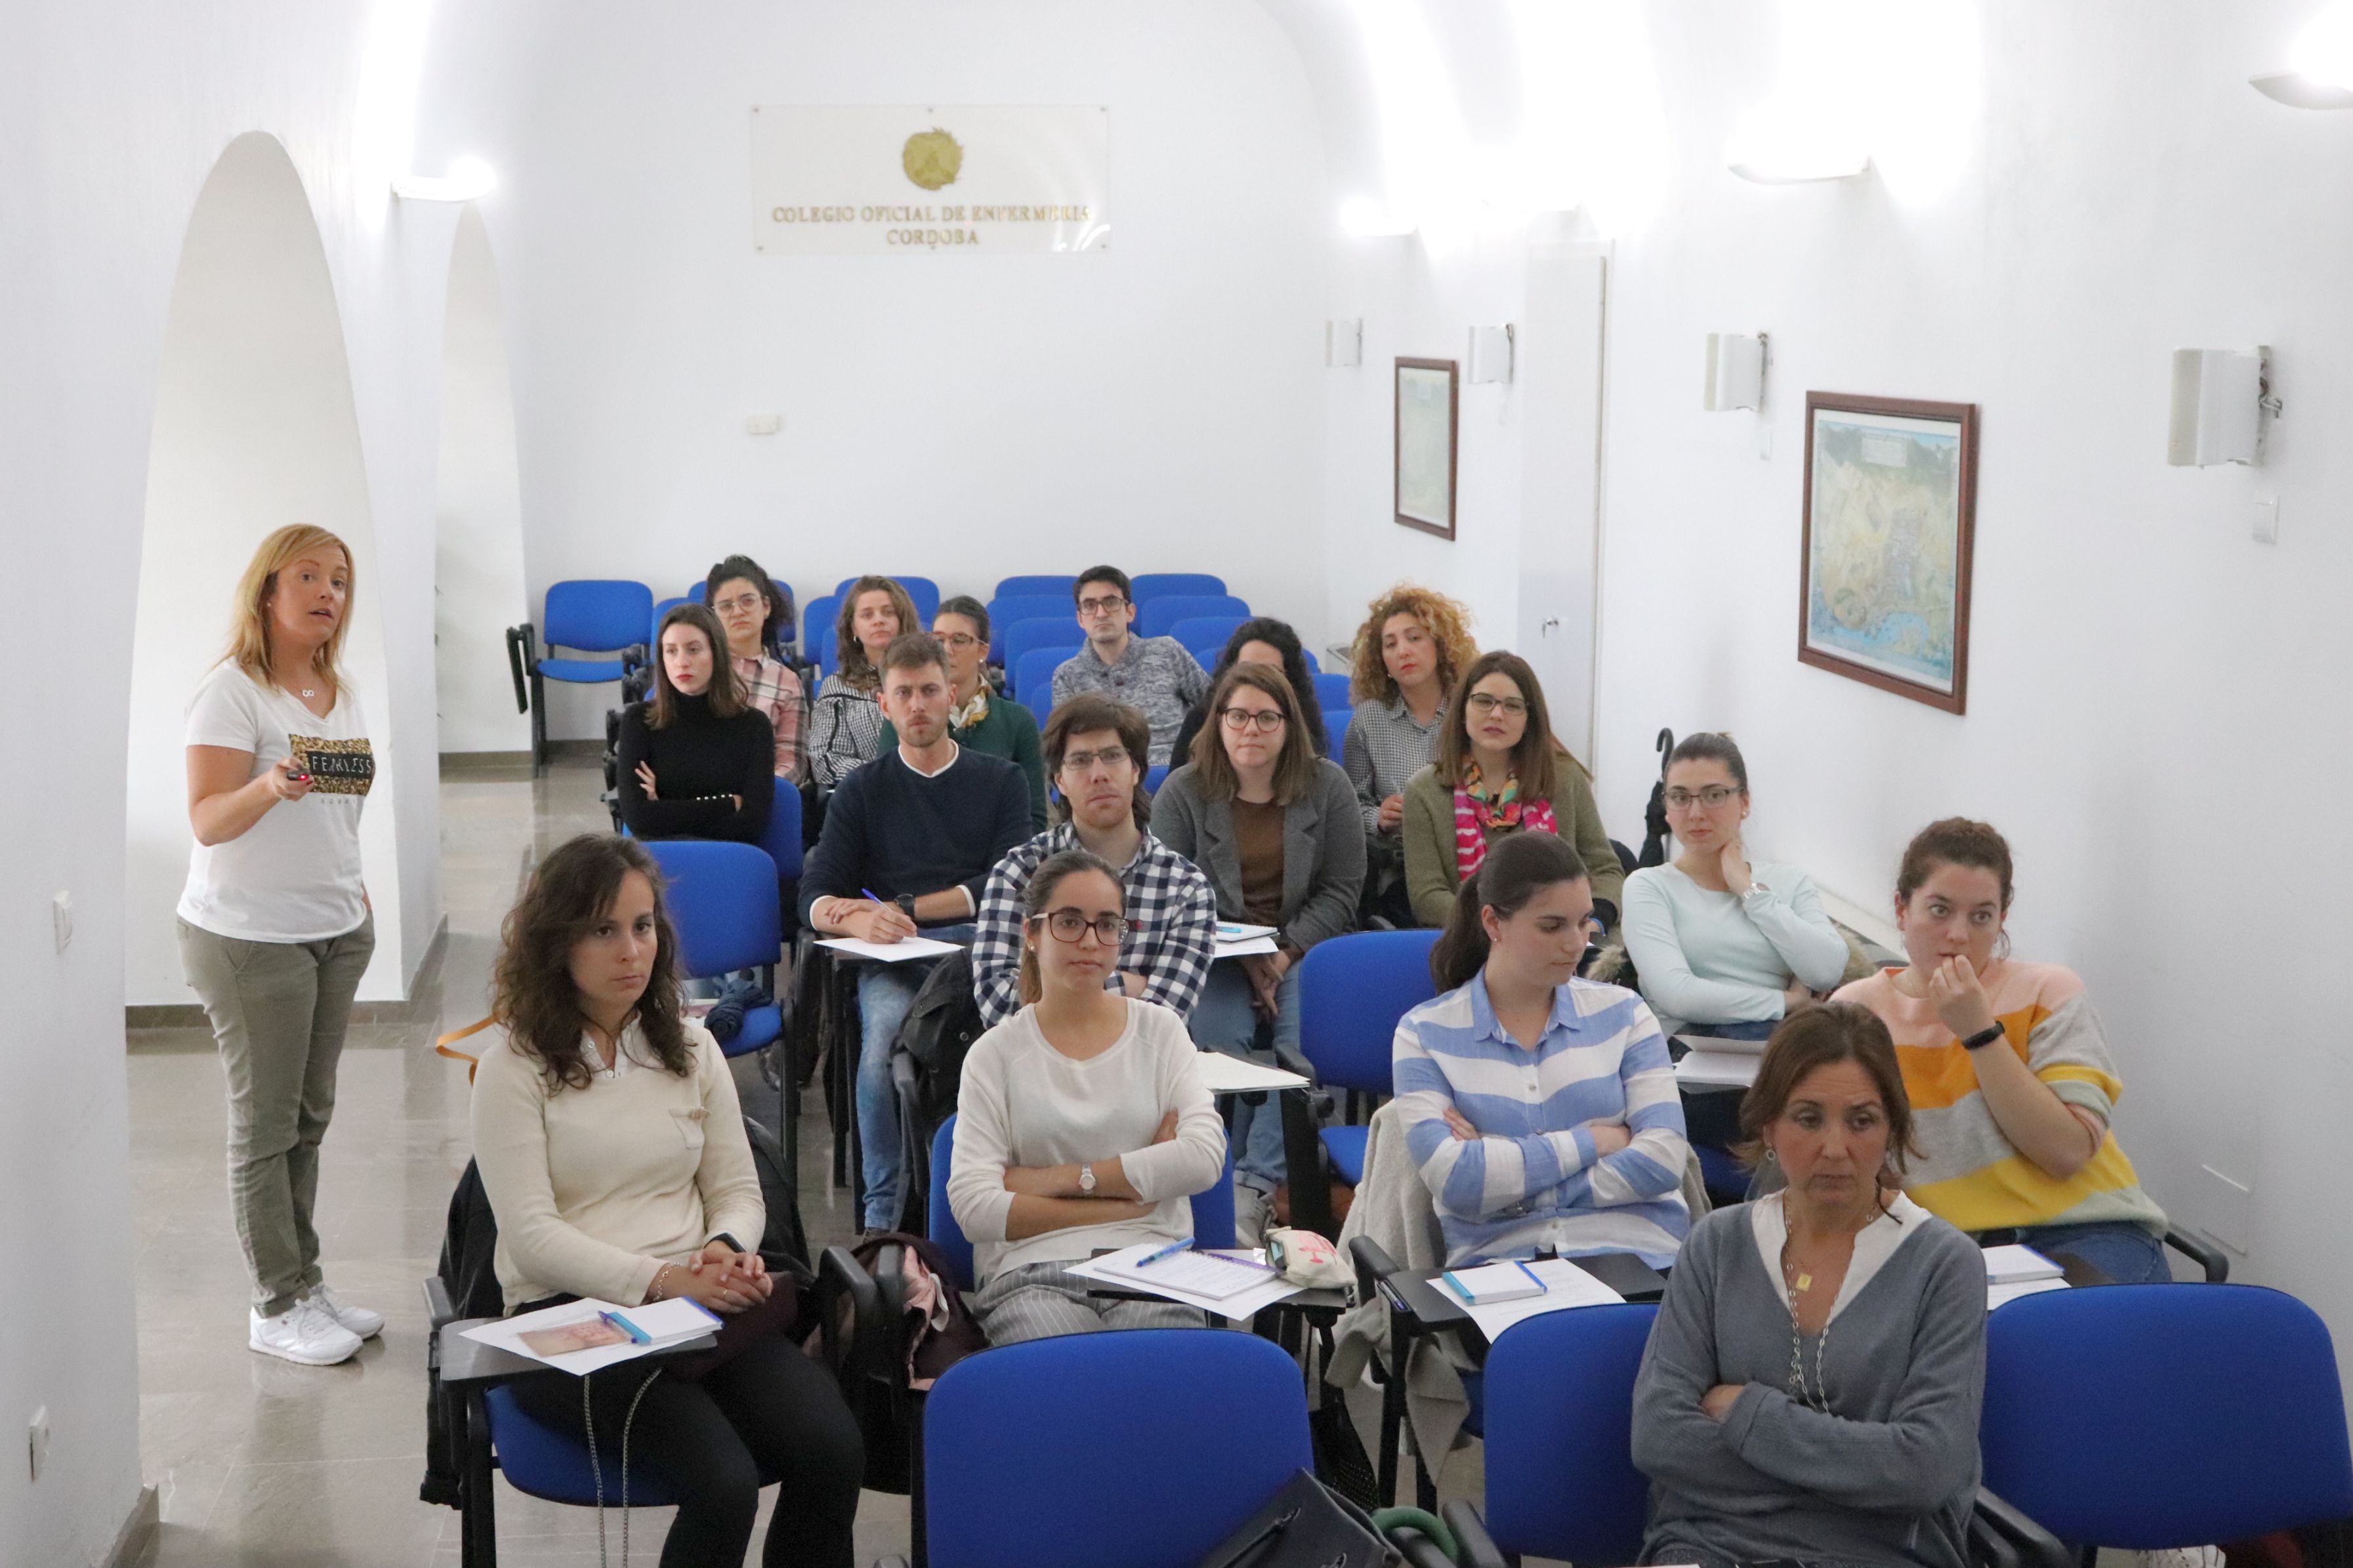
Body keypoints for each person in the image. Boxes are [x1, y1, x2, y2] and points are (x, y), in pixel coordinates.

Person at [471, 835, 863, 1567]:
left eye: (643, 925)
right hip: (568, 1318)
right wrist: (662, 1279)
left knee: (833, 1446)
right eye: (604, 929)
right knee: (724, 1482)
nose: (632, 950)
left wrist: (722, 1249)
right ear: (556, 943)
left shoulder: (690, 1046)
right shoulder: (513, 1068)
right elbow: (531, 1238)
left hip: (695, 1306)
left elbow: (737, 1190)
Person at [1631, 1002, 1986, 1568]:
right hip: (1711, 1545)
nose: (1835, 1148)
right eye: (1808, 1118)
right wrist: (1857, 1476)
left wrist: (1749, 1413)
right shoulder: (1716, 1246)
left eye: (1862, 1121)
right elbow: (1661, 1438)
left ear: (1892, 1128)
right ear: (1769, 1126)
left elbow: (1925, 1471)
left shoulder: (1945, 1266)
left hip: (1879, 1555)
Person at [178, 525, 384, 1366]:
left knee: (308, 1116)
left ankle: (306, 1280)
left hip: (332, 929)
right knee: (265, 1126)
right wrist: (267, 784)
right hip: (250, 937)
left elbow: (344, 808)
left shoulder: (341, 690)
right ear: (268, 590)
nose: (328, 591)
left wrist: (351, 888)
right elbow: (207, 819)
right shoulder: (232, 693)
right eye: (308, 575)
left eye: (339, 578)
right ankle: (274, 1303)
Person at [1836, 818, 2170, 1283]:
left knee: (2054, 1326)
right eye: (1939, 910)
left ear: (2001, 920)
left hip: (2083, 1229)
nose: (1958, 934)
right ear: (1901, 909)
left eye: (1981, 917)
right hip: (1945, 1245)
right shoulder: (1856, 1013)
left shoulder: (2049, 991)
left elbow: (2066, 1153)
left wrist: (1979, 1034)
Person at [947, 850, 1230, 1344]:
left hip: (1152, 1267)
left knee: (1155, 1374)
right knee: (1071, 1372)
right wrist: (1129, 1201)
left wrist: (1048, 1180)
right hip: (1030, 1273)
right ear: (1031, 934)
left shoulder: (1161, 1031)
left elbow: (1203, 1159)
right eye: (1069, 922)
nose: (1090, 941)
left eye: (1107, 925)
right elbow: (975, 1209)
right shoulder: (995, 1054)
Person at [799, 632, 1031, 1231]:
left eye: (930, 691)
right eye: (904, 694)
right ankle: (883, 1216)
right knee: (883, 1042)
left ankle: (1007, 1188)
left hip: (982, 949)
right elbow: (814, 895)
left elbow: (1008, 881)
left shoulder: (1002, 780)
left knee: (1014, 1043)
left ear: (952, 695)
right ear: (884, 705)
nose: (918, 705)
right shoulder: (860, 790)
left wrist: (907, 907)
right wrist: (859, 916)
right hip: (895, 958)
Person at [1394, 833, 1690, 1267]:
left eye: (1584, 922)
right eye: (1552, 926)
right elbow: (1458, 1182)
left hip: (1641, 1256)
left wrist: (1508, 1190)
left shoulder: (1625, 1013)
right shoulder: (1425, 1032)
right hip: (1502, 1272)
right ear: (1493, 923)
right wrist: (1596, 1141)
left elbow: (1663, 1161)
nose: (1576, 943)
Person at [1153, 663, 1365, 1239]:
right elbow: (1173, 893)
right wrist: (1244, 955)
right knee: (1218, 1040)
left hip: (1301, 948)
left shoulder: (1328, 787)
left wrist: (1283, 953)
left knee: (1298, 1053)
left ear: (1289, 725)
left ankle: (1253, 1187)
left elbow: (1342, 889)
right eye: (1239, 716)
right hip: (1214, 953)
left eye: (1267, 718)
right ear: (1218, 722)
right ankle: (1215, 1177)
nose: (1252, 729)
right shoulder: (1183, 792)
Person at [971, 695, 1217, 1027]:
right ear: (1059, 780)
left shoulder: (1186, 888)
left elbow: (1163, 1022)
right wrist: (1129, 985)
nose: (1099, 774)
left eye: (1112, 756)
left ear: (1135, 770)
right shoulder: (1018, 873)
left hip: (1138, 1061)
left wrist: (1057, 982)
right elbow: (997, 1003)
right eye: (1081, 760)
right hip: (1033, 1057)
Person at [1619, 732, 1850, 1037]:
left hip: (1784, 1054)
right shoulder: (1649, 886)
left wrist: (1748, 890)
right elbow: (1677, 996)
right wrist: (1787, 1001)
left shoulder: (1790, 882)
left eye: (1714, 795)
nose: (1696, 813)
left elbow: (1826, 970)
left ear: (1744, 802)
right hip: (1687, 1057)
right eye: (1680, 797)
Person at [1401, 651, 1623, 932]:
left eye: (1513, 706)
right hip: (1475, 939)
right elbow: (1427, 897)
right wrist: (1510, 929)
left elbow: (1606, 870)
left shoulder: (1565, 778)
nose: (1497, 714)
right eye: (1484, 701)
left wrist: (1595, 920)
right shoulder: (1424, 790)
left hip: (1568, 936)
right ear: (1462, 711)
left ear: (1530, 719)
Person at [1344, 585, 1478, 923]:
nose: (1403, 650)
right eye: (1390, 644)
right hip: (1403, 869)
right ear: (1382, 660)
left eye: (1414, 638)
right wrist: (1379, 818)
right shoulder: (1369, 719)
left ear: (1440, 645)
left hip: (1473, 857)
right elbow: (1350, 806)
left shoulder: (1472, 710)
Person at [877, 594, 1047, 830]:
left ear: (983, 651)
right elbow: (886, 803)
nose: (946, 650)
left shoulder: (1018, 721)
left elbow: (1034, 818)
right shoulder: (908, 716)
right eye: (938, 640)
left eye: (959, 640)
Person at [615, 604, 775, 843]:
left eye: (693, 650)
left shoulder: (754, 725)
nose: (682, 662)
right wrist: (728, 803)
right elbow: (638, 818)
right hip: (661, 860)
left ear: (716, 654)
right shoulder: (639, 721)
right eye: (671, 651)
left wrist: (664, 808)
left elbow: (752, 825)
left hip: (730, 856)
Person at [1048, 564, 1211, 767]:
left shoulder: (1168, 651)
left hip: (1179, 768)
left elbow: (1215, 707)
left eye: (1111, 602)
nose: (1101, 613)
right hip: (1107, 772)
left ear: (1130, 612)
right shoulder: (1067, 676)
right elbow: (1067, 747)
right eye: (1089, 605)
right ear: (1080, 619)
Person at [1168, 617, 1331, 764]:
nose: (1257, 681)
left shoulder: (1305, 724)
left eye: (1271, 673)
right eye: (1247, 670)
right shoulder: (1200, 720)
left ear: (1290, 680)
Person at [705, 554, 805, 785]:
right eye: (726, 606)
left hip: (762, 793)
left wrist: (759, 790)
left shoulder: (787, 681)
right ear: (714, 615)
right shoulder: (699, 668)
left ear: (766, 606)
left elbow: (792, 760)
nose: (738, 611)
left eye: (747, 601)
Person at [809, 574, 917, 789]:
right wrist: (887, 777)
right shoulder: (837, 687)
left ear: (902, 620)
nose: (879, 620)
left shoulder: (929, 680)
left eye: (888, 612)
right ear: (854, 629)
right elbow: (824, 759)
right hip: (869, 793)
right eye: (867, 615)